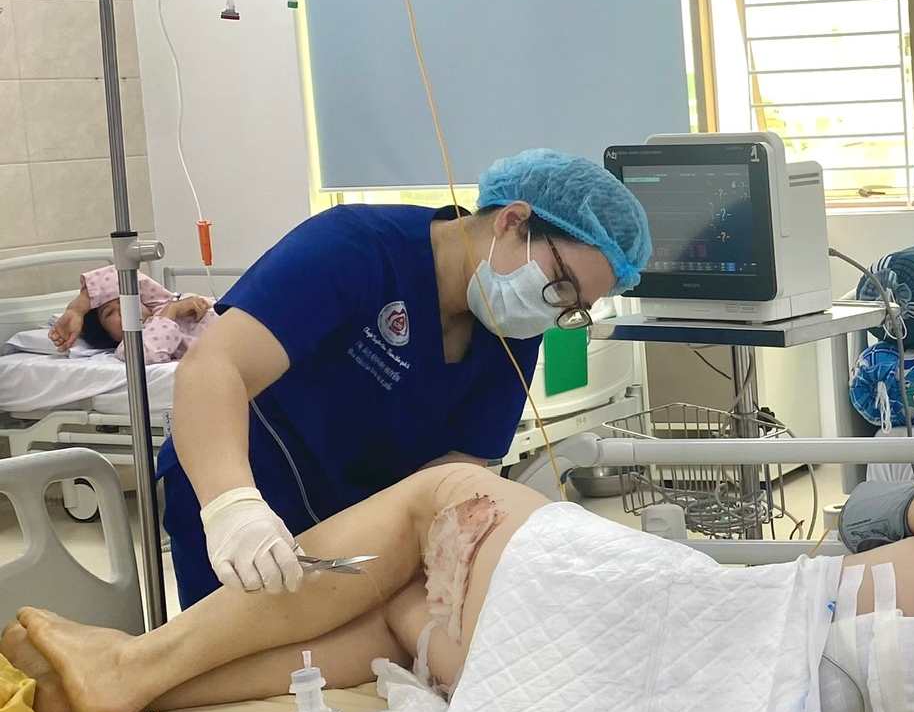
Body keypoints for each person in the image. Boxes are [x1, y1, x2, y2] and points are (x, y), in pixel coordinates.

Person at [7, 471, 914, 712]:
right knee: (378, 617)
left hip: (705, 621)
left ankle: (137, 661)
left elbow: (902, 508)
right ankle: (130, 679)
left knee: (443, 495)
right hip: (637, 682)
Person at [157, 148, 651, 608]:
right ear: (512, 220)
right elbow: (215, 368)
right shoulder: (355, 247)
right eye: (560, 284)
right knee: (221, 664)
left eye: (574, 307)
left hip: (358, 525)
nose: (556, 308)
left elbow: (460, 468)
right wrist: (233, 508)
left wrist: (428, 556)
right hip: (243, 482)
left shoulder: (512, 326)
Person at [48, 266, 216, 364]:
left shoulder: (161, 304)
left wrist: (78, 307)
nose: (122, 307)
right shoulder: (129, 347)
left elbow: (122, 273)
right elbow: (151, 354)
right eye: (109, 313)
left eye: (123, 299)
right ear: (109, 336)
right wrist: (172, 311)